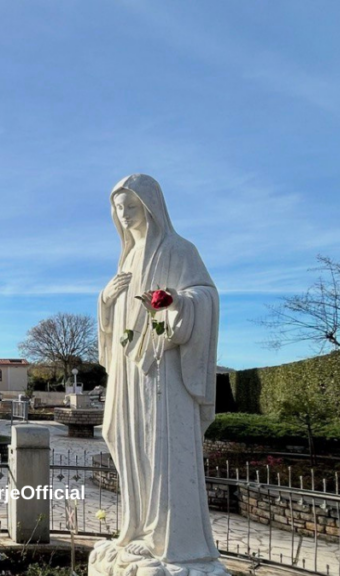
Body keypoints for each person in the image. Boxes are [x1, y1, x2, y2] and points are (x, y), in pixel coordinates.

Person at [89, 174, 227, 576]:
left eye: (131, 206)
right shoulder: (127, 258)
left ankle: (171, 542)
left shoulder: (180, 249)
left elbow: (206, 296)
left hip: (162, 373)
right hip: (128, 370)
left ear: (151, 206)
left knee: (160, 447)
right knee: (120, 434)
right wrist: (105, 299)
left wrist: (178, 303)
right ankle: (138, 528)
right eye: (118, 209)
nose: (125, 215)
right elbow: (115, 322)